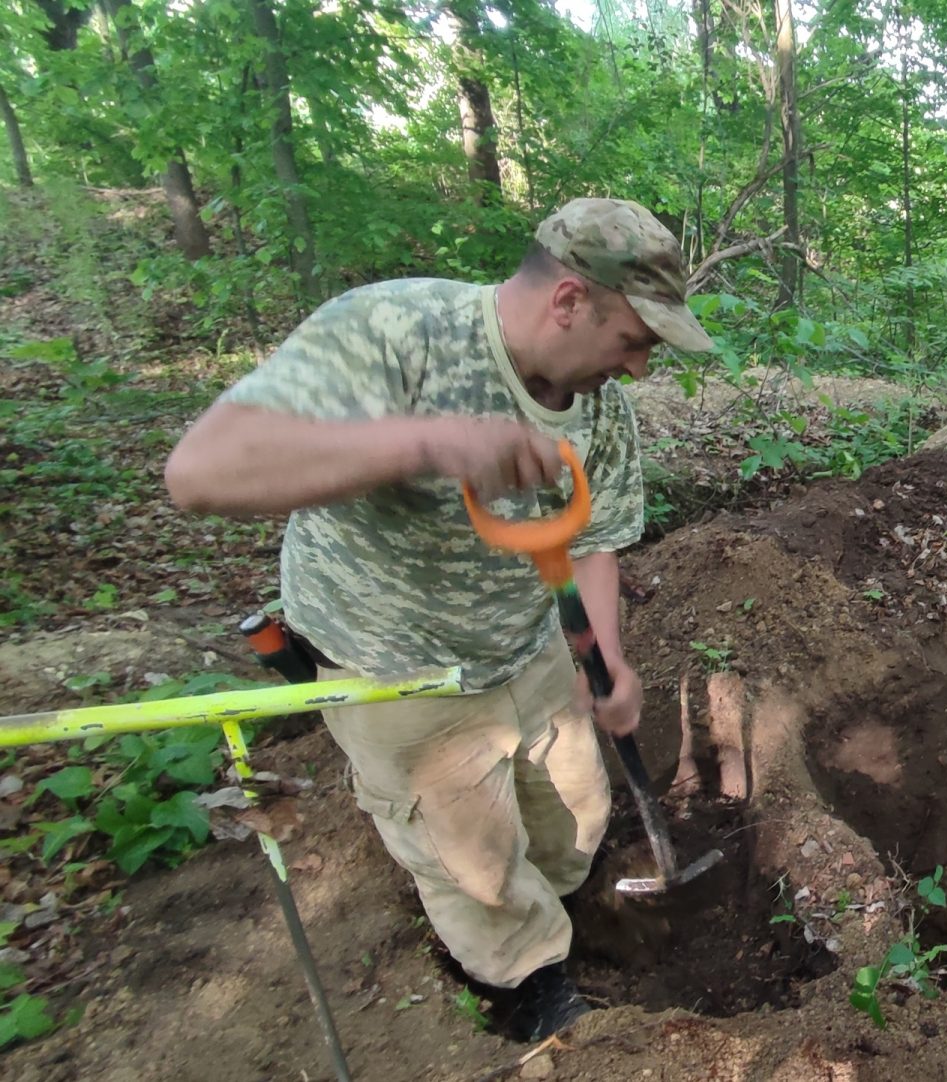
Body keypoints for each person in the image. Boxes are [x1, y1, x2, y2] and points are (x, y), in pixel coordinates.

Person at [164, 197, 715, 1040]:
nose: (639, 368)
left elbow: (597, 539)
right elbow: (199, 475)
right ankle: (526, 983)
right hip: (398, 669)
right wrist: (420, 444)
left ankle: (574, 906)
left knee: (573, 816)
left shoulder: (600, 407)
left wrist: (603, 655)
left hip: (527, 646)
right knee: (478, 864)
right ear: (569, 301)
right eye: (634, 340)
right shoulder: (394, 330)